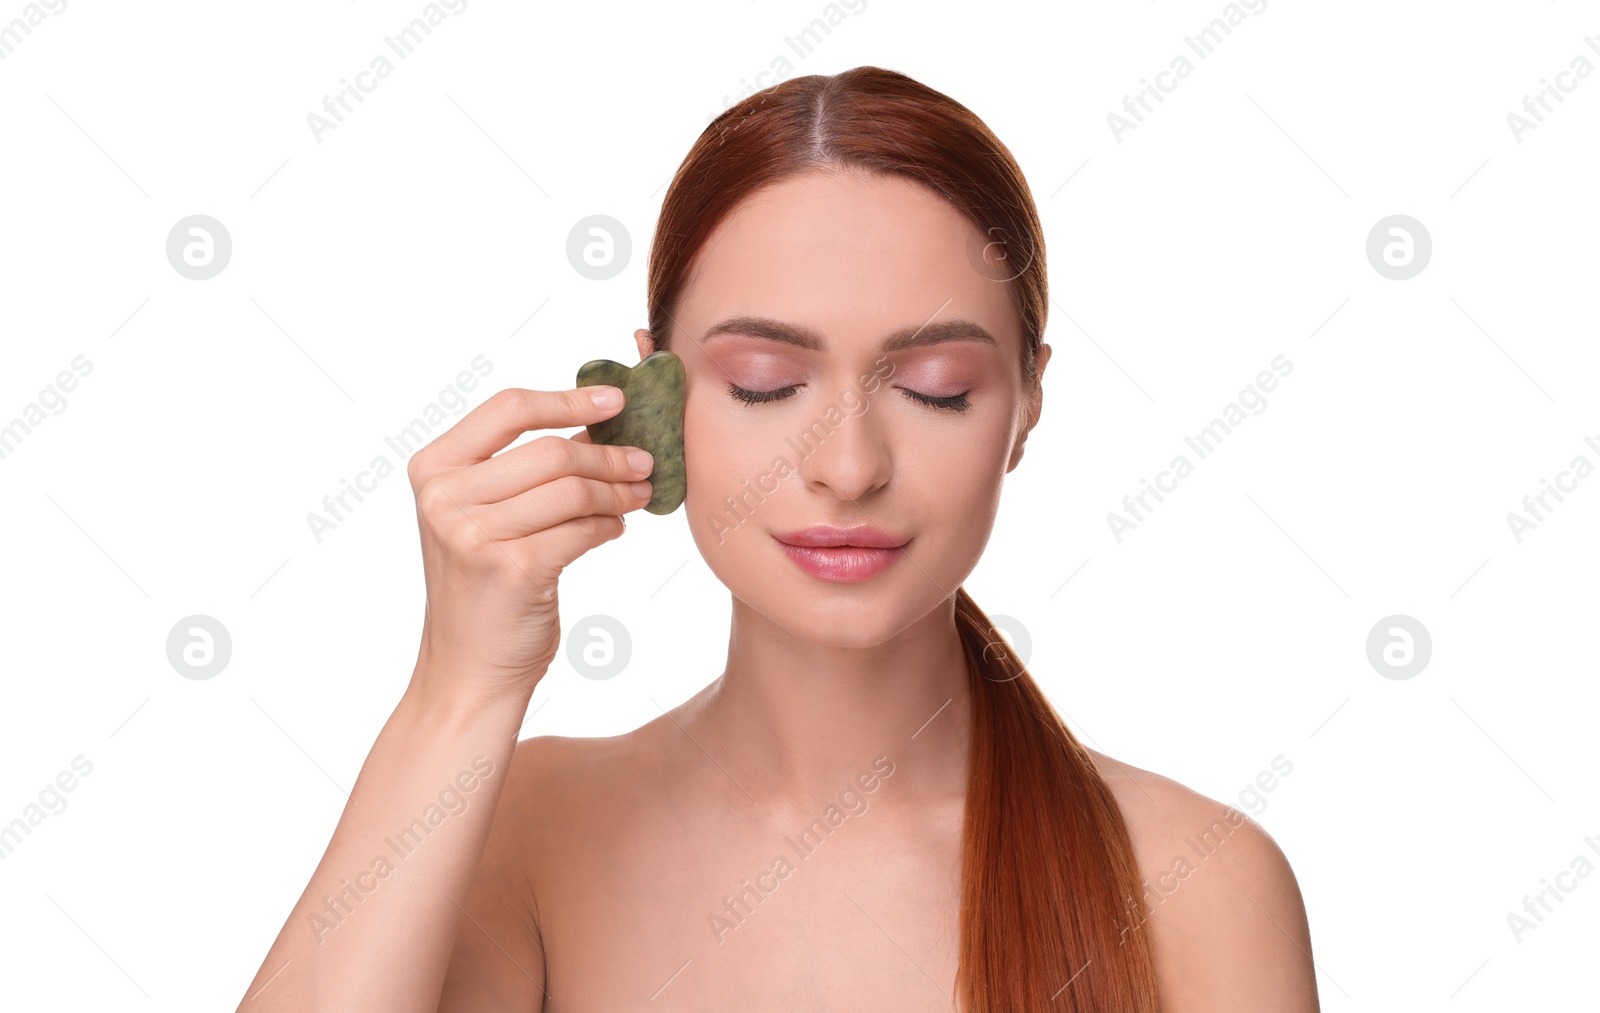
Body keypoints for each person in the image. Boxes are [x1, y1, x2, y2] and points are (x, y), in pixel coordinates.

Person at [238, 66, 1320, 1012]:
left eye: (936, 389)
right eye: (765, 383)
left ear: (1028, 403)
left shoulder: (1196, 884)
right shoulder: (523, 833)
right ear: (651, 393)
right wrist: (459, 688)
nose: (847, 467)